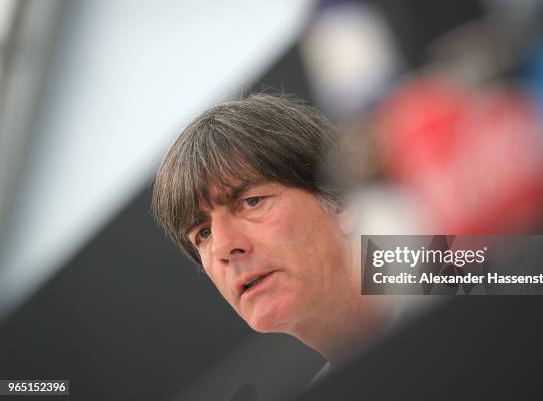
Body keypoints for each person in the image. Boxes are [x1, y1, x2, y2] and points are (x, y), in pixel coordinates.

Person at [151, 93, 394, 370]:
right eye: (203, 233)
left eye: (251, 202)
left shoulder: (446, 267)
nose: (223, 247)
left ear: (340, 199)